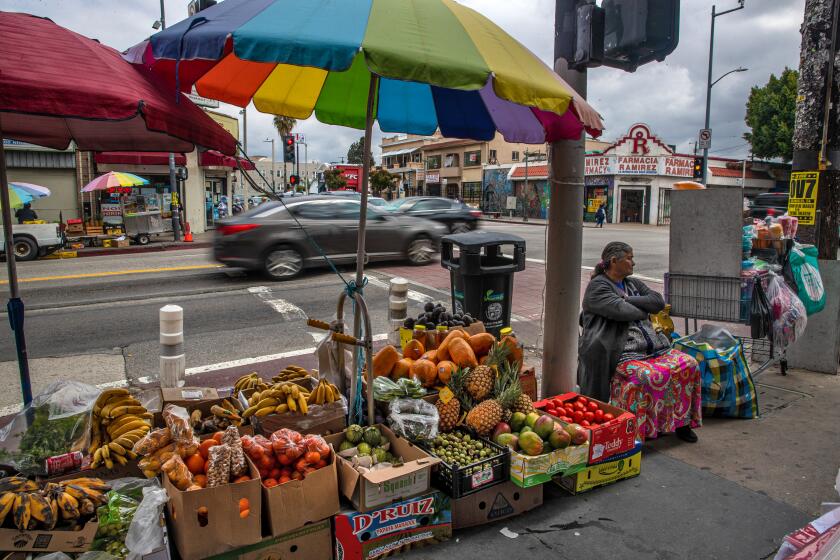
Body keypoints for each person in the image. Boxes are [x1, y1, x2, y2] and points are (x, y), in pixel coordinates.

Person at [578, 241, 702, 442]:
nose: (633, 263)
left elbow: (658, 302)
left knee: (690, 365)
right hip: (621, 351)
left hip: (654, 347)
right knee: (644, 377)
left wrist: (627, 298)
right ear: (614, 261)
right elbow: (624, 312)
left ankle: (682, 422)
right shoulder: (597, 287)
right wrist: (641, 306)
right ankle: (634, 432)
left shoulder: (632, 284)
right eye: (629, 258)